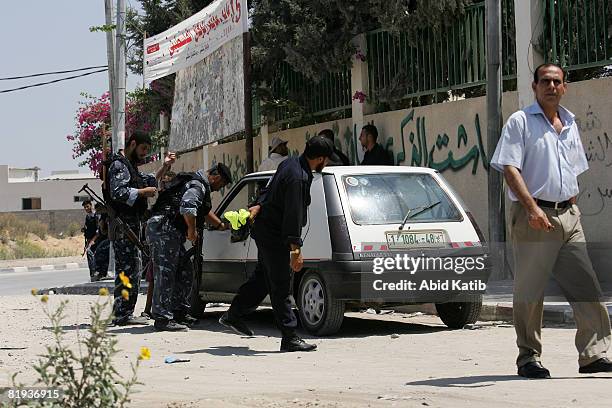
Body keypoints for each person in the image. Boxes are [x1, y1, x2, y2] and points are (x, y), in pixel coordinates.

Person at [491, 63, 612, 378]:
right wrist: (532, 208)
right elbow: (509, 168)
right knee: (531, 292)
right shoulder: (521, 122)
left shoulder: (570, 122)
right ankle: (528, 358)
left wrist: (572, 205)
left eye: (556, 81)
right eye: (544, 81)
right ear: (534, 87)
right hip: (535, 216)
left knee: (586, 285)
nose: (551, 86)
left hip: (569, 217)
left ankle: (592, 355)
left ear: (564, 87)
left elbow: (573, 169)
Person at [219, 135, 334, 352]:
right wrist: (295, 250)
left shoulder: (289, 163)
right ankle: (289, 337)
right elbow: (293, 215)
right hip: (274, 234)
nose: (326, 163)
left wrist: (258, 205)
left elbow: (268, 191)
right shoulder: (298, 177)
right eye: (326, 159)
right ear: (319, 158)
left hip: (266, 229)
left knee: (263, 277)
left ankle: (234, 315)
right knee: (281, 284)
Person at [146, 163, 232, 331]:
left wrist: (221, 225)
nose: (218, 189)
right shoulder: (198, 184)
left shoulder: (198, 184)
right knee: (166, 272)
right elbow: (188, 207)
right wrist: (192, 231)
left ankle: (179, 312)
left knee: (185, 270)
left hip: (169, 230)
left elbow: (204, 211)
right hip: (163, 228)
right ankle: (162, 319)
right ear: (216, 177)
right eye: (220, 185)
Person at [106, 131, 175, 326]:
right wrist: (142, 192)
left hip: (132, 225)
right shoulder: (119, 165)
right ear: (133, 144)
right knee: (126, 270)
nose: (145, 153)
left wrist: (165, 166)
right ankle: (121, 314)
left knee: (133, 269)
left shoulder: (130, 167)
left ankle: (125, 313)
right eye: (143, 149)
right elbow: (118, 192)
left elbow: (149, 179)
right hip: (123, 226)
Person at [81, 200, 99, 281]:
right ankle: (93, 274)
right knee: (90, 254)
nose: (86, 208)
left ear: (91, 206)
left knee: (92, 254)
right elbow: (88, 230)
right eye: (85, 207)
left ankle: (96, 273)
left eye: (87, 206)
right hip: (90, 240)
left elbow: (98, 231)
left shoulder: (96, 216)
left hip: (97, 239)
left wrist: (92, 241)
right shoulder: (88, 217)